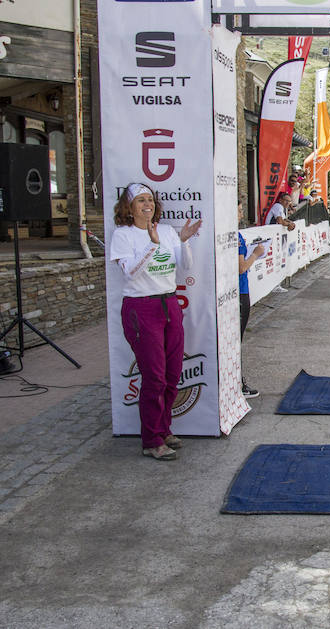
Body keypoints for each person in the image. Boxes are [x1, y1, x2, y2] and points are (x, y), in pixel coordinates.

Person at [108, 183, 201, 461]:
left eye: (150, 199)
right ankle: (151, 439)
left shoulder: (167, 230)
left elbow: (185, 266)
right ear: (129, 207)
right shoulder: (123, 235)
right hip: (141, 307)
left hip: (169, 303)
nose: (147, 204)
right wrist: (151, 244)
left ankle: (163, 428)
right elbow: (131, 273)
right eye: (140, 200)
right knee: (154, 376)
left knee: (173, 374)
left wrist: (183, 240)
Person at [238, 232, 266, 398]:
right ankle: (238, 385)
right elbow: (241, 268)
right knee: (236, 341)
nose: (241, 214)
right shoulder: (236, 237)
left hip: (230, 291)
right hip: (239, 292)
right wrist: (256, 254)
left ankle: (235, 383)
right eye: (239, 210)